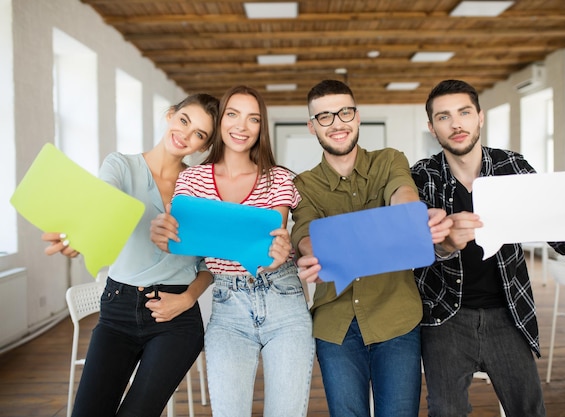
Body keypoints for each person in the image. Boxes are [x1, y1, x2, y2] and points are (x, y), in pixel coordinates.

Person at [411, 79, 565, 417]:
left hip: (509, 312)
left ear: (480, 117)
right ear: (432, 127)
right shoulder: (421, 177)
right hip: (444, 315)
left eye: (464, 112)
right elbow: (415, 256)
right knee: (446, 411)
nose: (456, 124)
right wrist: (445, 245)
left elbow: (554, 230)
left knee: (528, 409)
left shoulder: (513, 167)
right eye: (444, 117)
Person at [41, 93, 220, 417]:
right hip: (117, 310)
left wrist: (188, 298)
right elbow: (100, 209)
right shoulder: (120, 166)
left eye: (199, 134)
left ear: (204, 147)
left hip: (175, 315)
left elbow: (209, 264)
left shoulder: (200, 187)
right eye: (184, 121)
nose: (186, 135)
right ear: (170, 115)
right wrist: (79, 237)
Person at [150, 85, 315, 417]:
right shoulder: (191, 181)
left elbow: (272, 246)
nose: (242, 126)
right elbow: (185, 246)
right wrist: (163, 235)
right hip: (228, 306)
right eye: (233, 115)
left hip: (284, 299)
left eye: (253, 119)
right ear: (220, 121)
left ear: (261, 128)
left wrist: (280, 251)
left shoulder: (280, 179)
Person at [292, 79, 451, 417]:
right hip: (335, 322)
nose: (337, 123)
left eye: (345, 112)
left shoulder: (389, 159)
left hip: (396, 316)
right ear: (312, 127)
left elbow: (402, 192)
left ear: (358, 116)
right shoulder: (303, 184)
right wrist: (311, 251)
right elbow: (304, 232)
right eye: (324, 117)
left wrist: (410, 217)